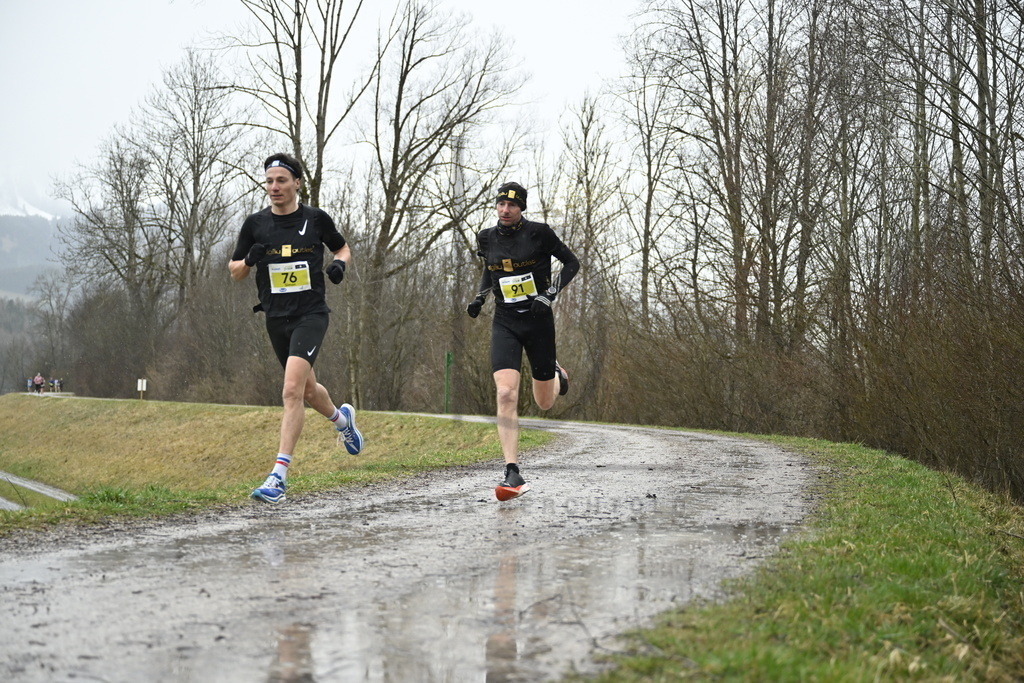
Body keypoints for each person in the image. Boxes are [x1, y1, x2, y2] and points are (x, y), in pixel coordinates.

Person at [229, 153, 364, 504]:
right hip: (275, 317)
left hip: (311, 314)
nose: (274, 187)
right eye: (270, 181)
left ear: (297, 183)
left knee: (290, 391)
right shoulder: (255, 224)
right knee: (306, 390)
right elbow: (235, 271)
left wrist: (338, 265)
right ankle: (342, 420)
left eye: (282, 181)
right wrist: (249, 261)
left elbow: (343, 248)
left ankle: (278, 477)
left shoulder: (315, 219)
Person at [466, 182, 579, 500]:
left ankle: (556, 374)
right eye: (501, 204)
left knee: (544, 402)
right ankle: (512, 471)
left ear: (522, 209)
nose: (505, 210)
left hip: (538, 321)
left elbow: (572, 263)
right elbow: (491, 270)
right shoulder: (486, 237)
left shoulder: (540, 233)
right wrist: (480, 297)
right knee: (504, 393)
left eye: (512, 205)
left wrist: (550, 294)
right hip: (505, 322)